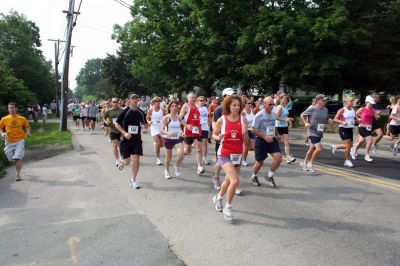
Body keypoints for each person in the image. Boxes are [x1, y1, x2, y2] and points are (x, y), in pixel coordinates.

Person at [212, 95, 248, 222]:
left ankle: (218, 198)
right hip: (224, 153)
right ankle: (228, 207)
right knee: (235, 180)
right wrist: (219, 137)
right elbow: (214, 135)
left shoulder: (243, 119)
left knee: (228, 180)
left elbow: (246, 140)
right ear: (228, 106)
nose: (237, 107)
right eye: (234, 105)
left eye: (238, 105)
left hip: (237, 154)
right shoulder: (222, 120)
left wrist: (246, 131)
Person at [115, 93, 148, 189]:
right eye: (133, 98)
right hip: (126, 140)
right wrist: (124, 133)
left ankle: (133, 179)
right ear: (129, 100)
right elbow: (117, 124)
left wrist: (145, 128)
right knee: (127, 162)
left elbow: (145, 123)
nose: (135, 100)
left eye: (136, 98)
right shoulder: (125, 111)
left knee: (136, 159)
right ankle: (122, 162)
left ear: (138, 100)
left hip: (136, 139)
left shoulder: (141, 112)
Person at [250, 96, 282, 187]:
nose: (272, 106)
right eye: (270, 104)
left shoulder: (273, 114)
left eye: (273, 104)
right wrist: (264, 136)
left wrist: (277, 134)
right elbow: (253, 130)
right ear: (264, 104)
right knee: (260, 162)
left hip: (272, 139)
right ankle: (254, 176)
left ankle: (269, 176)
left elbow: (273, 125)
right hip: (261, 140)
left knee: (278, 158)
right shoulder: (259, 115)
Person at [0, 102, 31, 181]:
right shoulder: (4, 119)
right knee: (11, 158)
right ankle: (15, 160)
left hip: (19, 140)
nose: (11, 109)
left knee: (18, 157)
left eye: (12, 107)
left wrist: (28, 132)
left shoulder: (22, 118)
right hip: (9, 141)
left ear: (16, 108)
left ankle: (18, 174)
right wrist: (2, 133)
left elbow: (27, 126)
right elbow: (0, 128)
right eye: (9, 108)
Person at [299, 94, 330, 173]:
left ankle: (304, 163)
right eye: (323, 100)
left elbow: (325, 120)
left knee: (312, 149)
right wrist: (306, 123)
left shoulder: (325, 110)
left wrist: (329, 121)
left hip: (319, 131)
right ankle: (311, 163)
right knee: (319, 148)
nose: (325, 102)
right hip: (312, 131)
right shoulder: (312, 108)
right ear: (318, 100)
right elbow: (302, 115)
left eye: (326, 100)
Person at [212, 88, 236, 190]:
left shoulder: (235, 108)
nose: (232, 98)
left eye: (233, 95)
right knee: (220, 161)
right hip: (223, 140)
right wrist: (218, 136)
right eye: (230, 96)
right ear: (224, 97)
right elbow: (214, 124)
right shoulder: (219, 110)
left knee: (234, 161)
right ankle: (216, 177)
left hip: (234, 139)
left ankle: (233, 181)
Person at [179, 92, 205, 175]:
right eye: (192, 98)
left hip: (197, 130)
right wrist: (186, 125)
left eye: (194, 97)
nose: (193, 99)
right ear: (188, 99)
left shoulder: (197, 106)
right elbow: (180, 118)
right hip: (189, 131)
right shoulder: (186, 106)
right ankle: (180, 154)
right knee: (188, 150)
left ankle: (199, 167)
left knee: (198, 149)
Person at [160, 100, 184, 179]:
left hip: (177, 138)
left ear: (178, 108)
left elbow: (179, 128)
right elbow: (161, 130)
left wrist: (182, 132)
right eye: (172, 106)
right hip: (168, 139)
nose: (174, 108)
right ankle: (166, 170)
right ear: (169, 108)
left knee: (181, 154)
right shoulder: (166, 118)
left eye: (176, 106)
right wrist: (167, 133)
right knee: (168, 157)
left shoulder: (179, 117)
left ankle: (176, 165)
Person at [351, 96, 378, 162]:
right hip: (362, 127)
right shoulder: (362, 109)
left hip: (369, 128)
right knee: (370, 141)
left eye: (372, 103)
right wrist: (359, 118)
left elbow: (376, 117)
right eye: (370, 103)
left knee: (361, 141)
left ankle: (353, 150)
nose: (371, 104)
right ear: (367, 102)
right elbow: (355, 114)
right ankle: (367, 156)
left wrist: (377, 115)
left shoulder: (373, 110)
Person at [331, 96, 357, 167]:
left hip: (350, 129)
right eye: (351, 101)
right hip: (343, 129)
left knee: (349, 145)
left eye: (353, 101)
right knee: (348, 145)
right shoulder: (342, 110)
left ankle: (335, 147)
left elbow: (355, 119)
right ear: (346, 102)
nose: (352, 103)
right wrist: (342, 122)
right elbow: (335, 119)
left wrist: (359, 121)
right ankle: (347, 161)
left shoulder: (353, 110)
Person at [275, 95, 296, 164]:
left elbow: (286, 116)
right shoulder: (280, 107)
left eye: (286, 99)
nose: (285, 100)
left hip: (284, 126)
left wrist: (290, 122)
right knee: (275, 142)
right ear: (280, 99)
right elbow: (276, 117)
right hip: (278, 126)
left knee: (286, 142)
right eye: (284, 99)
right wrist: (285, 120)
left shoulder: (285, 107)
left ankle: (288, 157)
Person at [104, 98, 123, 167]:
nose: (115, 103)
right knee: (115, 145)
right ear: (111, 103)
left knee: (120, 145)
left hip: (120, 130)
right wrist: (106, 121)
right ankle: (117, 160)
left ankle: (121, 156)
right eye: (114, 102)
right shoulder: (108, 111)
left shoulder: (122, 110)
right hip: (112, 130)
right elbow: (104, 117)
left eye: (116, 102)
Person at [147, 96, 166, 165]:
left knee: (162, 144)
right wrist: (148, 122)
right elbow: (147, 118)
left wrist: (165, 124)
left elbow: (165, 118)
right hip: (154, 127)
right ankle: (158, 159)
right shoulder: (151, 110)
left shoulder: (163, 110)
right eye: (156, 101)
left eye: (159, 101)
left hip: (161, 127)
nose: (158, 102)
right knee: (158, 142)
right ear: (153, 102)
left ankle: (156, 144)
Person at [242, 99, 255, 166]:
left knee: (252, 147)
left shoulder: (252, 111)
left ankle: (242, 150)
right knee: (246, 146)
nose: (250, 104)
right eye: (248, 103)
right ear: (245, 104)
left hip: (252, 130)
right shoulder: (243, 112)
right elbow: (242, 122)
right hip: (245, 130)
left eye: (251, 103)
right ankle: (244, 160)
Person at [197, 96, 210, 165]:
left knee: (205, 143)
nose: (202, 101)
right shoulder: (196, 108)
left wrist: (208, 125)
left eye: (203, 100)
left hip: (205, 128)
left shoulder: (205, 108)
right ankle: (200, 158)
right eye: (200, 100)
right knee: (199, 144)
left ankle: (204, 158)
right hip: (198, 128)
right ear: (197, 101)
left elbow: (206, 117)